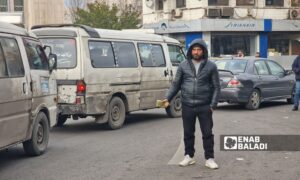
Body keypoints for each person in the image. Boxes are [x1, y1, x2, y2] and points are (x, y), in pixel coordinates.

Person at [163, 39, 220, 169]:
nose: (196, 52)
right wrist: (167, 98)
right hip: (187, 104)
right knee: (188, 132)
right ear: (190, 51)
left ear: (204, 51)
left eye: (199, 50)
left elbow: (217, 87)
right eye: (194, 50)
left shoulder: (211, 66)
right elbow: (175, 84)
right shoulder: (183, 65)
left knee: (207, 133)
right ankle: (189, 156)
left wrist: (213, 105)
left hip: (205, 105)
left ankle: (210, 158)